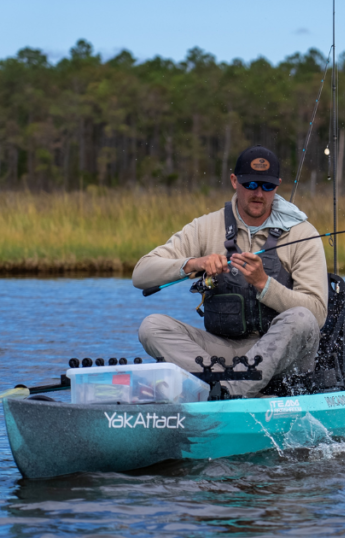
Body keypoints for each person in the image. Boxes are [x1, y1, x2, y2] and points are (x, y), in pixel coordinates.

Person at [134, 145, 328, 397]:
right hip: (222, 352)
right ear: (234, 181)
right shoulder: (205, 227)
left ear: (278, 186)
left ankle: (224, 393)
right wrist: (194, 263)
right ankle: (222, 386)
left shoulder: (303, 234)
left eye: (267, 186)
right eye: (251, 185)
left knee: (301, 318)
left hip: (283, 357)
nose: (259, 193)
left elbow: (316, 314)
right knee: (151, 326)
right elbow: (141, 274)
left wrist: (264, 284)